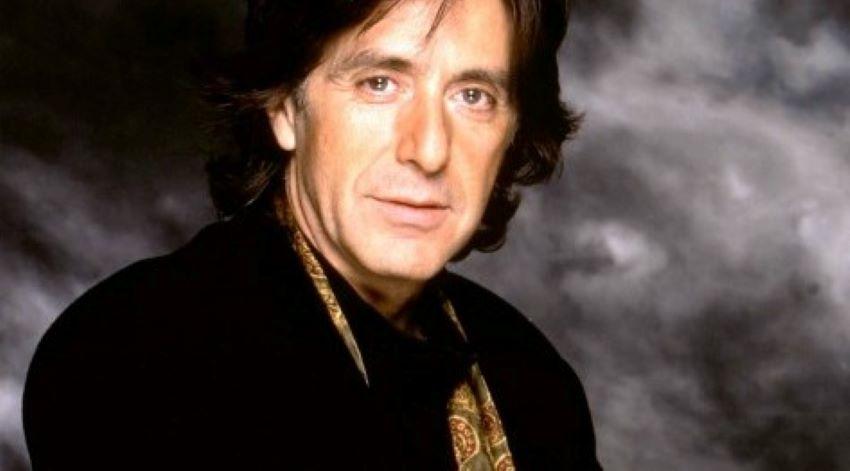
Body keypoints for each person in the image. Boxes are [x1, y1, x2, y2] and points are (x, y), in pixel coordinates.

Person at [23, 0, 601, 469]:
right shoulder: (132, 355)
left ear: (513, 130)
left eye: (473, 97)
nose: (429, 149)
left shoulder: (531, 380)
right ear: (283, 107)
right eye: (380, 83)